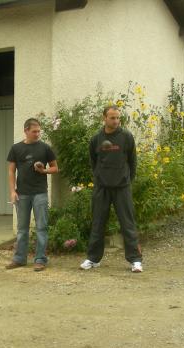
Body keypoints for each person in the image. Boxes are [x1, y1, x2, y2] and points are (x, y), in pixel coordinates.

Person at [80, 106, 143, 272]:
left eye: (117, 118)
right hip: (102, 188)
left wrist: (127, 180)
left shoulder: (126, 137)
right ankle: (93, 259)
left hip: (122, 187)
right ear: (104, 118)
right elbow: (93, 162)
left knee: (127, 224)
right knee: (98, 223)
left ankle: (135, 260)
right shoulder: (96, 139)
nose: (116, 121)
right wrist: (100, 177)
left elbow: (132, 161)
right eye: (112, 118)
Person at [6, 118, 58, 271]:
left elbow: (55, 168)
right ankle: (19, 259)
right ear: (26, 131)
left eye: (38, 131)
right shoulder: (16, 148)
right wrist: (12, 191)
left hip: (40, 193)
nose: (37, 134)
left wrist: (44, 170)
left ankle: (40, 260)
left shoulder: (45, 148)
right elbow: (11, 170)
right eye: (34, 131)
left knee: (42, 227)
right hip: (22, 194)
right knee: (22, 228)